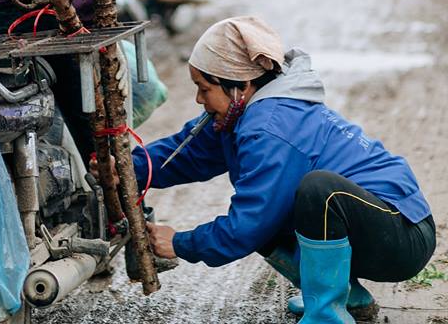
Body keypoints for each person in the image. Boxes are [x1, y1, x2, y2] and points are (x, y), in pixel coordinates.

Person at [127, 16, 435, 323]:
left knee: (318, 192)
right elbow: (188, 152)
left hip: (402, 234)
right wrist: (128, 168)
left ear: (241, 85)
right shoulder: (242, 111)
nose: (198, 99)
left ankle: (325, 315)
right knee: (279, 208)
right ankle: (347, 297)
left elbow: (247, 226)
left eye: (204, 88)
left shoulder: (270, 126)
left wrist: (181, 242)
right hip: (373, 227)